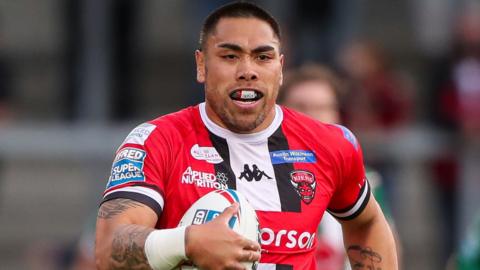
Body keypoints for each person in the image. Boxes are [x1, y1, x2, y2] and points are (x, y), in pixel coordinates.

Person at [95, 2, 398, 269]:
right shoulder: (156, 141)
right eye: (230, 56)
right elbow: (109, 249)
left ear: (280, 68)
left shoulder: (329, 144)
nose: (247, 71)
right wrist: (186, 243)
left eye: (262, 57)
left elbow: (368, 222)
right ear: (201, 65)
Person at [279, 64, 398, 270]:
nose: (312, 117)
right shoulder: (260, 173)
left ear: (338, 115)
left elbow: (387, 243)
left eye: (322, 107)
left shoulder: (365, 180)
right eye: (301, 107)